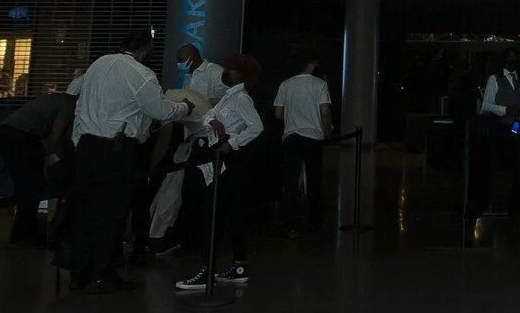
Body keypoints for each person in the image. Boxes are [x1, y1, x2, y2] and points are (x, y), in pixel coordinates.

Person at [68, 32, 181, 294]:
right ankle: (102, 275)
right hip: (118, 150)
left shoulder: (97, 64)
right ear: (145, 50)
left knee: (85, 212)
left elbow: (75, 94)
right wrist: (184, 108)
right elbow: (161, 111)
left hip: (87, 146)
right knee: (112, 214)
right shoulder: (141, 74)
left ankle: (79, 272)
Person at [174, 61, 263, 292]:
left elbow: (256, 127)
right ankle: (237, 265)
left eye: (231, 69)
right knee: (230, 212)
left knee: (215, 212)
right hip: (222, 157)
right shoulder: (228, 96)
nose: (226, 72)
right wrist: (212, 121)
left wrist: (232, 144)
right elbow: (209, 115)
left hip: (228, 160)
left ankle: (208, 269)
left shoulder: (241, 98)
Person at [0, 84, 74, 246]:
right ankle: (23, 235)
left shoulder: (55, 99)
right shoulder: (69, 105)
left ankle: (21, 232)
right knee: (32, 186)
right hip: (20, 137)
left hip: (9, 134)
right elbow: (55, 137)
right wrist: (60, 162)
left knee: (27, 185)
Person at [479, 49, 520, 236]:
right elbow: (486, 105)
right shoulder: (494, 79)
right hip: (506, 129)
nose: (512, 60)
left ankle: (518, 208)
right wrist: (506, 109)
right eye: (508, 56)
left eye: (514, 56)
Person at [272, 54, 333, 236]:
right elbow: (325, 111)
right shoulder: (319, 84)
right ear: (312, 64)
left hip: (291, 136)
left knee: (290, 181)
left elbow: (278, 114)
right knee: (314, 179)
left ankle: (290, 221)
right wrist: (327, 130)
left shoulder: (286, 84)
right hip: (313, 137)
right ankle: (314, 219)